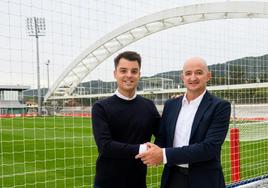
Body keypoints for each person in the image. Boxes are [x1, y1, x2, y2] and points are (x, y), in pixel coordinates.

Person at [136, 57, 231, 188]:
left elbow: (210, 148)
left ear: (208, 76)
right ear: (182, 77)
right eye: (188, 73)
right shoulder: (171, 105)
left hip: (204, 180)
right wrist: (152, 150)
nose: (193, 78)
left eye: (198, 72)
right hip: (173, 177)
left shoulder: (220, 106)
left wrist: (163, 155)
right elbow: (162, 138)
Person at [92, 51, 160, 188]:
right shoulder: (101, 107)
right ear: (115, 74)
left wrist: (176, 107)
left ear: (139, 75)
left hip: (138, 182)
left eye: (134, 71)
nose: (129, 75)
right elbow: (105, 147)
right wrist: (143, 149)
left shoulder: (148, 106)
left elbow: (164, 134)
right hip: (107, 183)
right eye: (123, 70)